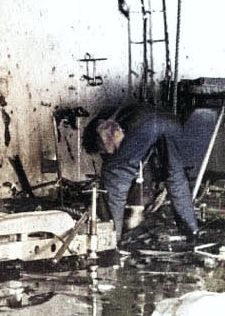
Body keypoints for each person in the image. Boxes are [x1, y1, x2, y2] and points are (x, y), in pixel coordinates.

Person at [82, 102, 200, 243]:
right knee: (176, 177)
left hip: (145, 124)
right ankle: (192, 231)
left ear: (97, 140)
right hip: (171, 121)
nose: (104, 154)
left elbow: (116, 159)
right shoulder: (111, 112)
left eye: (101, 150)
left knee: (114, 174)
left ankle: (110, 241)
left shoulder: (101, 125)